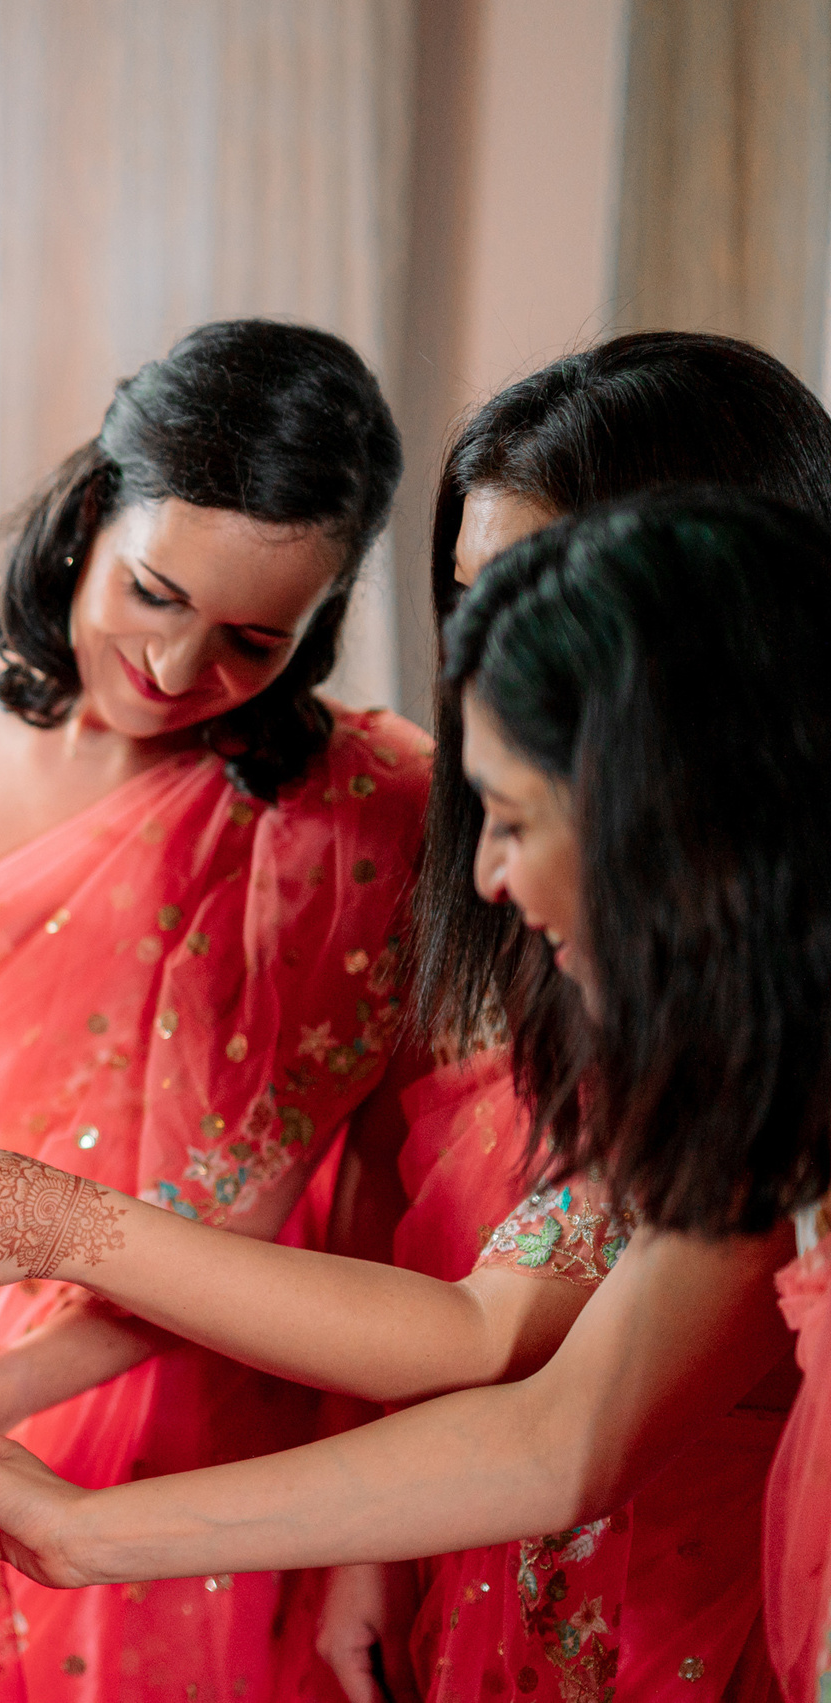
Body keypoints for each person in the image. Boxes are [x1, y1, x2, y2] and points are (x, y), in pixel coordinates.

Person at [0, 491, 818, 1700]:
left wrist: (53, 1229)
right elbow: (554, 1425)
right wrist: (84, 1528)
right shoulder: (751, 1072)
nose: (490, 877)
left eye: (514, 819)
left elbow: (538, 1400)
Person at [0, 318, 423, 1700]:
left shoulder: (333, 822)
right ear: (93, 505)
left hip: (131, 1394)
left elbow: (242, 1224)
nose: (174, 665)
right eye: (154, 591)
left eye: (254, 637)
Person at [290, 331, 831, 1701]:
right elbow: (393, 1208)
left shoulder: (771, 995)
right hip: (478, 1550)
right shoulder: (506, 876)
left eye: (539, 592)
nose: (491, 655)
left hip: (697, 1587)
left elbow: (531, 1383)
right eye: (471, 603)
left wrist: (53, 1225)